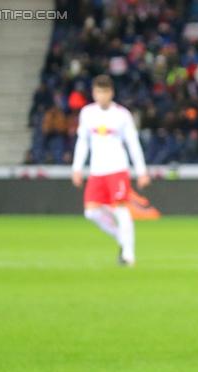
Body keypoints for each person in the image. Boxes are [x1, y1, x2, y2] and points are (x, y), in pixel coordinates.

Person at [71, 75, 150, 266]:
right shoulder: (87, 113)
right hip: (97, 170)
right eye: (98, 92)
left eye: (105, 92)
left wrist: (141, 171)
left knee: (121, 209)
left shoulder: (121, 115)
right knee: (91, 212)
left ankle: (128, 255)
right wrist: (77, 168)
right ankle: (122, 239)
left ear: (111, 93)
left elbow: (133, 143)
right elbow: (82, 142)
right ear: (93, 93)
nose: (102, 96)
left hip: (117, 168)